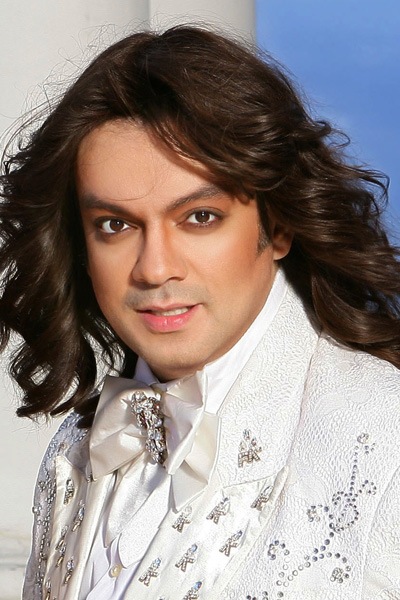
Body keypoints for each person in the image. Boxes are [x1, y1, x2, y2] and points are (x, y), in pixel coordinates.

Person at [1, 25, 400, 600]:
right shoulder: (77, 448)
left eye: (199, 218)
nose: (155, 268)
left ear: (278, 225)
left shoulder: (384, 439)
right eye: (115, 225)